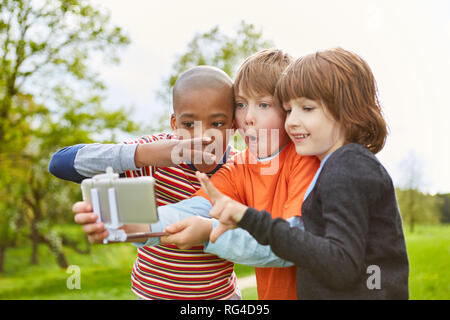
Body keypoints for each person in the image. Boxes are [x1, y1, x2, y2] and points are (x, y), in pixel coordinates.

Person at [69, 49, 321, 300]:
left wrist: (208, 231)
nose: (248, 118)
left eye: (263, 105)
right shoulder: (238, 168)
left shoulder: (305, 160)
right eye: (241, 105)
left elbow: (293, 243)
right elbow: (194, 208)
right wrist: (132, 226)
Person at [196, 48, 410, 299]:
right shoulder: (337, 166)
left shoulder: (347, 168)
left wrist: (248, 218)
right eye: (288, 110)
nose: (291, 122)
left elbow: (340, 263)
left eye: (306, 108)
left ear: (346, 109)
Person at [50, 65, 241, 300]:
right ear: (174, 124)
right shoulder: (153, 153)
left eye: (218, 123)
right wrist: (142, 155)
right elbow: (61, 163)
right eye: (189, 125)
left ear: (234, 125)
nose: (203, 136)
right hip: (152, 294)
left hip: (220, 297)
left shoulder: (241, 168)